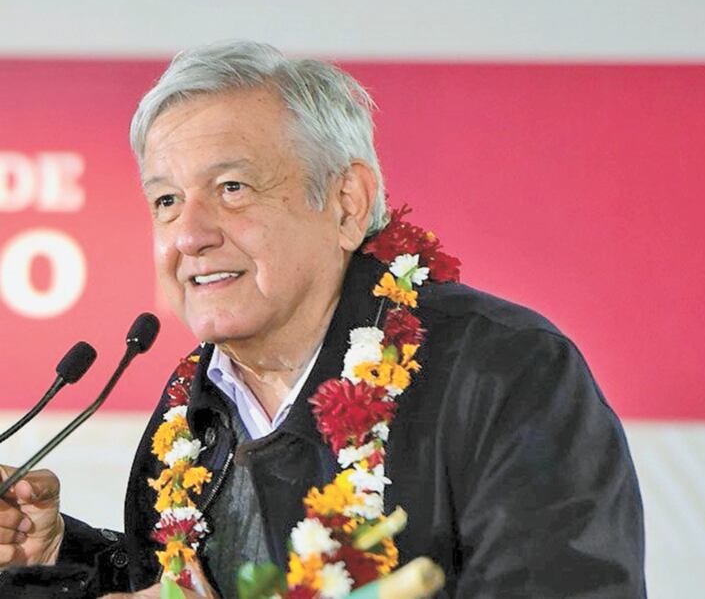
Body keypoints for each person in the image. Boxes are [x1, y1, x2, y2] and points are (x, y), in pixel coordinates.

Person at [0, 41, 646, 598]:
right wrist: (58, 552)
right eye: (166, 200)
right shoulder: (189, 410)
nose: (189, 234)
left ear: (345, 203)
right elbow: (183, 579)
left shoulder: (502, 370)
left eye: (232, 188)